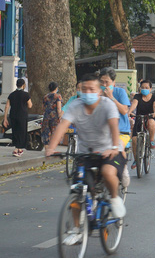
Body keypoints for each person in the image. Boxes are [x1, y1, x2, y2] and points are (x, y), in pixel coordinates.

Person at [45, 73, 126, 221]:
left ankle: (115, 198)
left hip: (109, 151)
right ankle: (76, 231)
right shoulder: (76, 106)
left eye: (92, 89)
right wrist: (51, 147)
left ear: (99, 91)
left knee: (108, 172)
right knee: (77, 190)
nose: (88, 93)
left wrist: (114, 147)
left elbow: (114, 126)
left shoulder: (107, 105)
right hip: (85, 153)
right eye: (84, 89)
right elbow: (62, 126)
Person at [128, 80, 155, 168]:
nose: (144, 89)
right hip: (139, 118)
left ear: (150, 89)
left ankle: (151, 141)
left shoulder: (154, 97)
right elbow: (134, 105)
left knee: (151, 122)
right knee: (134, 140)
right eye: (142, 88)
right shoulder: (137, 96)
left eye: (147, 88)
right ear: (140, 88)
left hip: (150, 117)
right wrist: (129, 112)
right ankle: (136, 160)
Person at [4, 78, 32, 157]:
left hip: (13, 115)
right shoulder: (26, 95)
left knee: (15, 131)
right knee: (22, 131)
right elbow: (30, 105)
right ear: (23, 85)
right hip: (22, 115)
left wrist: (5, 118)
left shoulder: (11, 94)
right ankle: (17, 149)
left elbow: (7, 106)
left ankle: (18, 148)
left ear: (16, 85)